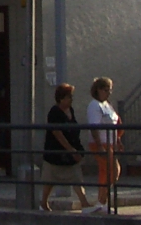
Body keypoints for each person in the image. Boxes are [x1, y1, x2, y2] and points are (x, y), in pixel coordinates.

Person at [40, 82, 89, 211]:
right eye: (69, 97)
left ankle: (84, 203)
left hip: (71, 152)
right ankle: (43, 202)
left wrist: (77, 149)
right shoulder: (54, 112)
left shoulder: (70, 110)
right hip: (56, 152)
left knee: (77, 177)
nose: (71, 99)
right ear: (61, 98)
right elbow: (57, 132)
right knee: (50, 179)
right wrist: (70, 149)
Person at [84, 76, 121, 214]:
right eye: (105, 90)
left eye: (110, 90)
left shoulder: (107, 105)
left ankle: (102, 200)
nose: (108, 93)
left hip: (110, 142)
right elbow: (94, 126)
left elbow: (114, 123)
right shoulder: (95, 105)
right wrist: (99, 145)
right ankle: (101, 201)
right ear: (98, 90)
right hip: (101, 143)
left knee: (111, 171)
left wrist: (117, 140)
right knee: (110, 170)